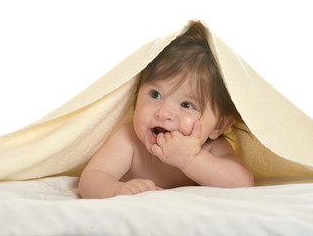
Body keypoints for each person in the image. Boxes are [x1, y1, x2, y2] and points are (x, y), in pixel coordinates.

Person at [79, 23, 254, 199]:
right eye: (155, 95)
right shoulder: (129, 140)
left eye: (187, 105)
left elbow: (242, 183)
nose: (163, 113)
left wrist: (192, 160)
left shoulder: (212, 150)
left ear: (219, 125)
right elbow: (92, 177)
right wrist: (115, 189)